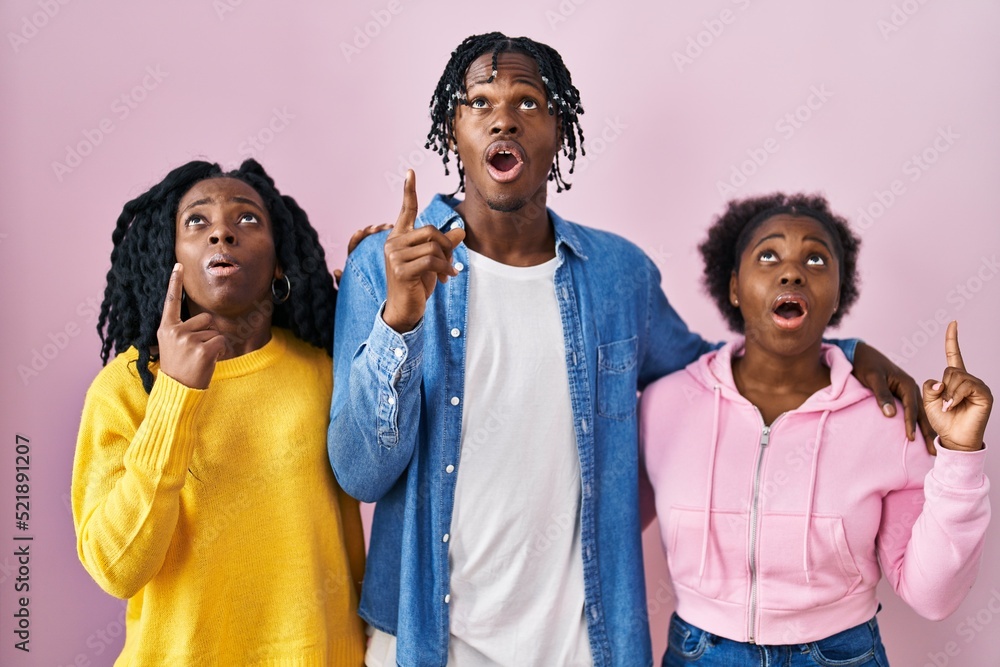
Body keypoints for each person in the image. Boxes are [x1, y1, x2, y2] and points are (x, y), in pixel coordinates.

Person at [328, 33, 928, 667]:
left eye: (528, 102)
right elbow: (360, 474)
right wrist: (399, 319)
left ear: (559, 129)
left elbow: (718, 373)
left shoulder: (619, 276)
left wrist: (845, 350)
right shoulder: (384, 268)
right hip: (423, 639)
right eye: (478, 101)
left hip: (584, 644)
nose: (503, 116)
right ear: (453, 129)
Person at [640, 194, 991, 666]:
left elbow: (933, 596)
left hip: (841, 654)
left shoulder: (889, 417)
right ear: (735, 287)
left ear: (838, 293)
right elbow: (597, 532)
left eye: (816, 258)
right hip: (699, 652)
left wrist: (959, 453)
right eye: (768, 255)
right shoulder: (665, 405)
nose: (792, 272)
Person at [72, 159, 371, 665]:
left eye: (247, 219)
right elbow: (115, 567)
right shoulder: (125, 388)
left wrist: (373, 296)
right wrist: (173, 394)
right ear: (171, 259)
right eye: (197, 221)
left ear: (280, 263)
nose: (222, 234)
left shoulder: (324, 371)